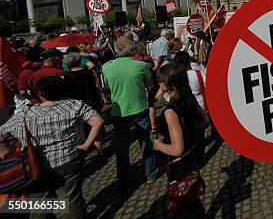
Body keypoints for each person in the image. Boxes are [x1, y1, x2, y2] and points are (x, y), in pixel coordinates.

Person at [0, 77, 104, 219]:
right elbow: (98, 121)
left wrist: (6, 152)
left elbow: (1, 133)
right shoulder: (74, 105)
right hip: (69, 159)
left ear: (40, 93)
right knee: (71, 199)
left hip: (35, 163)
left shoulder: (24, 113)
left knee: (39, 202)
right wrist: (86, 145)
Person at [102, 37, 159, 185]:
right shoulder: (141, 65)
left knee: (122, 147)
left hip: (119, 111)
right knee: (145, 142)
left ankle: (125, 179)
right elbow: (149, 84)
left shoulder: (106, 67)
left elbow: (108, 86)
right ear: (131, 49)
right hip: (139, 107)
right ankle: (151, 174)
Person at [153, 64, 207, 185]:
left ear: (169, 83)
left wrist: (158, 146)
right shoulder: (188, 97)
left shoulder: (171, 112)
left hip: (179, 166)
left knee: (183, 197)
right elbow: (204, 120)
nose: (158, 82)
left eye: (160, 80)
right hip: (192, 156)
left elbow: (178, 149)